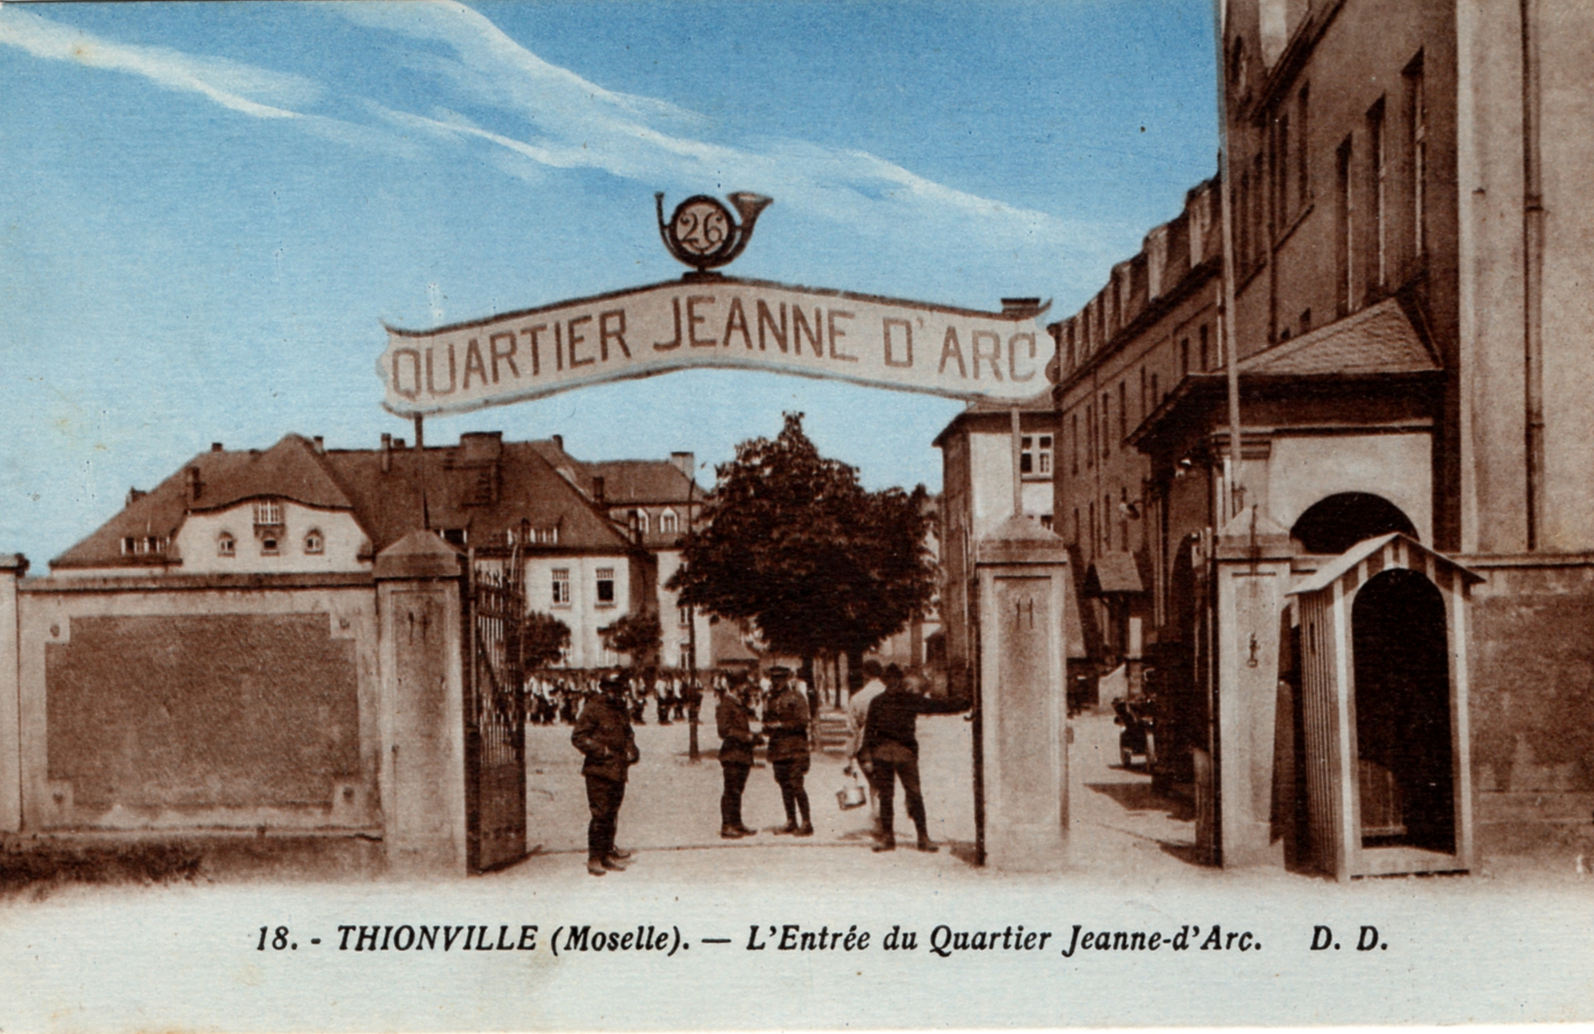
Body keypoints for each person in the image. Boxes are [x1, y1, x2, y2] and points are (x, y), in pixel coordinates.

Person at [862, 668, 971, 852]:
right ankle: (922, 837)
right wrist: (965, 703)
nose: (894, 685)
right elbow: (937, 706)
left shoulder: (878, 701)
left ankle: (889, 838)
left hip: (884, 754)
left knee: (887, 797)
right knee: (913, 794)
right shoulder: (907, 699)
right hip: (904, 754)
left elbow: (868, 733)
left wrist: (867, 757)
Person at [570, 672, 639, 876]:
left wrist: (632, 749)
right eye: (614, 689)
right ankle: (594, 858)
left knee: (612, 814)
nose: (617, 693)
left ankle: (608, 853)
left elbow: (628, 734)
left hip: (618, 769)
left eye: (620, 690)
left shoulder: (620, 709)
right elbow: (578, 736)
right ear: (605, 688)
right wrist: (602, 750)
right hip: (598, 770)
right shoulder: (593, 708)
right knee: (600, 815)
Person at [763, 666, 813, 836]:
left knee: (797, 785)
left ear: (786, 679)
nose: (775, 682)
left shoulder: (796, 697)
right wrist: (767, 727)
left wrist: (782, 725)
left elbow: (803, 721)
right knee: (784, 786)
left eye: (779, 678)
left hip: (795, 748)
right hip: (778, 750)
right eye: (773, 679)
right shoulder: (770, 699)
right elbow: (767, 720)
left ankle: (806, 822)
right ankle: (791, 820)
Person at [715, 674, 760, 838]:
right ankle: (727, 825)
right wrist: (745, 737)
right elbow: (724, 731)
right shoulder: (726, 705)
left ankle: (737, 823)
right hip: (732, 754)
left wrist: (753, 737)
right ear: (737, 686)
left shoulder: (738, 703)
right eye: (744, 685)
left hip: (742, 754)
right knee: (731, 791)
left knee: (738, 790)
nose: (747, 688)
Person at [845, 660, 890, 829]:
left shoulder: (858, 698)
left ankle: (879, 819)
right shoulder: (891, 693)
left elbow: (852, 729)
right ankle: (884, 819)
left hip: (867, 746)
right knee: (887, 783)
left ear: (864, 674)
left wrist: (849, 757)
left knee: (874, 784)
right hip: (890, 741)